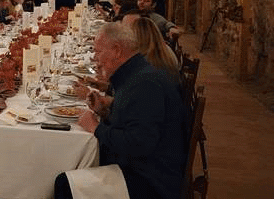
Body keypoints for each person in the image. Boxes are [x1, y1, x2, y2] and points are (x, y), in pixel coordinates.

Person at [56, 23, 186, 199]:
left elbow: (139, 143)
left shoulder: (145, 85)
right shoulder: (137, 73)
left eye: (98, 51)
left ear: (117, 50)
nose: (95, 58)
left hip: (151, 181)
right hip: (144, 166)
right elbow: (132, 122)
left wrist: (96, 128)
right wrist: (104, 112)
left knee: (65, 182)